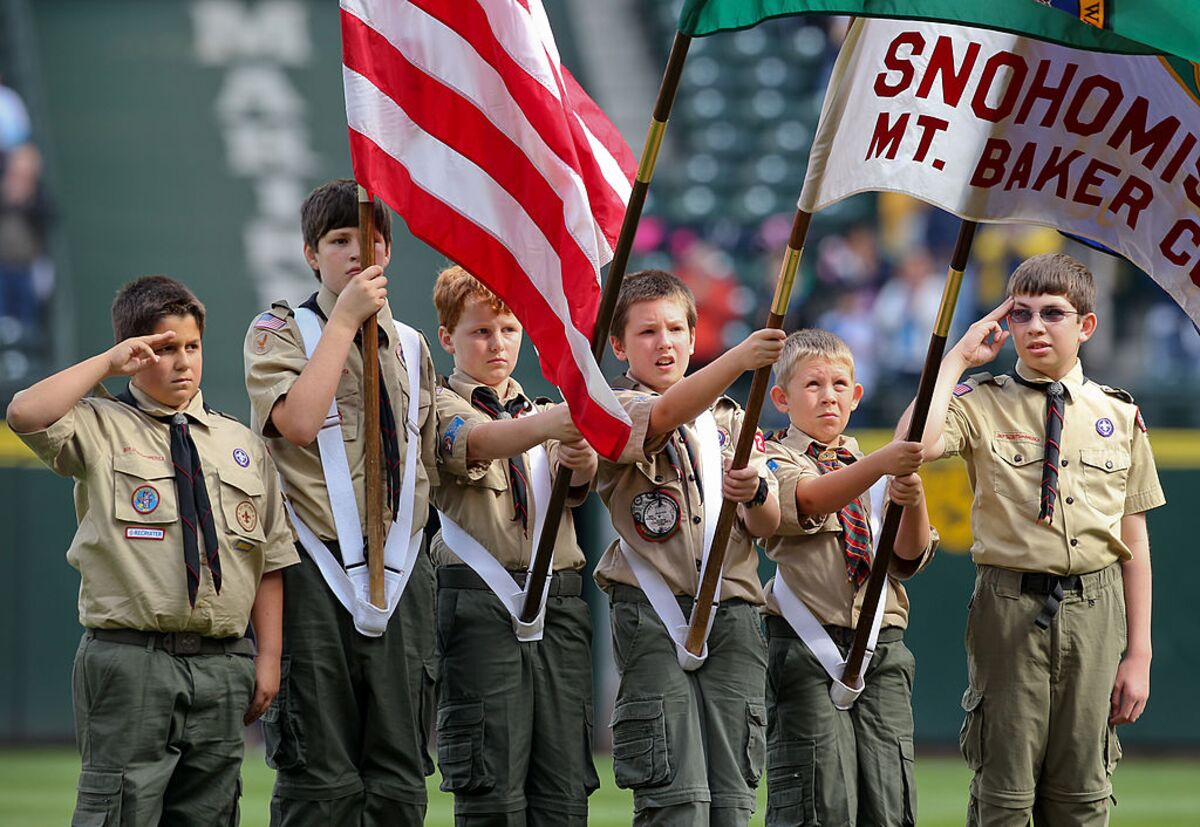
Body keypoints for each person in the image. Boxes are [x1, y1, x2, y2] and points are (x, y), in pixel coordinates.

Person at [6, 275, 297, 824]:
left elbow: (271, 561)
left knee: (211, 813)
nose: (183, 361)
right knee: (121, 809)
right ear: (135, 354)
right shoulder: (97, 424)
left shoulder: (242, 444)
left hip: (222, 663)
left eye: (192, 346)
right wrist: (105, 363)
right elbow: (24, 413)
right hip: (131, 659)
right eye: (165, 349)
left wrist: (267, 660)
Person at [909, 253, 1165, 826]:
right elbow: (913, 446)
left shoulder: (1119, 415)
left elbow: (1136, 542)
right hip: (1009, 604)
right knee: (1004, 795)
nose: (1034, 327)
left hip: (1098, 608)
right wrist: (955, 360)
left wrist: (1139, 653)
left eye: (1053, 313)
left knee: (1082, 794)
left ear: (1086, 326)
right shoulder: (982, 400)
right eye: (1020, 314)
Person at [243, 179, 438, 825]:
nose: (359, 251)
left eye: (372, 238)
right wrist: (347, 319)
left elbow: (434, 455)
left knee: (399, 777)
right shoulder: (279, 329)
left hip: (404, 574)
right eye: (340, 239)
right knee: (318, 779)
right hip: (316, 569)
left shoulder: (411, 346)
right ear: (310, 253)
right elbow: (297, 423)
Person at [593, 268, 785, 826]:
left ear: (694, 337)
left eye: (676, 329)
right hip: (655, 612)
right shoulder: (611, 407)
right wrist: (739, 358)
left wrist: (755, 490)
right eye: (647, 332)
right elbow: (663, 414)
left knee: (733, 801)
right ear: (618, 345)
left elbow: (769, 525)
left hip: (735, 611)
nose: (665, 343)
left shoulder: (731, 420)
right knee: (676, 798)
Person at [430, 265, 600, 824]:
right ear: (448, 338)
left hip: (560, 602)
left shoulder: (541, 410)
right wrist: (561, 421)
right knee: (491, 786)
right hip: (481, 602)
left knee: (563, 789)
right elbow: (481, 441)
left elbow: (574, 486)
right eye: (480, 332)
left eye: (508, 329)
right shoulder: (438, 406)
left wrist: (581, 457)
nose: (497, 344)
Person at [760, 328, 936, 826]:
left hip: (882, 642)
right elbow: (807, 500)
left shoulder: (876, 467)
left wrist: (911, 495)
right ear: (782, 398)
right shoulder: (773, 457)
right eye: (813, 385)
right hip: (805, 643)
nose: (828, 395)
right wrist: (883, 464)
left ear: (856, 396)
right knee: (820, 796)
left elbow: (907, 556)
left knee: (890, 795)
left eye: (840, 384)